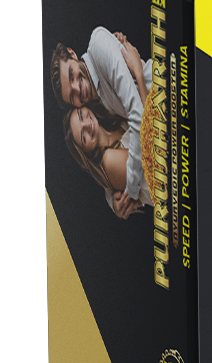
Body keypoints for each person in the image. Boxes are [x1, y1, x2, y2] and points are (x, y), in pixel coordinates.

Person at [50, 28, 150, 219]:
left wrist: (129, 191)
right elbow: (100, 163)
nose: (77, 87)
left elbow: (137, 114)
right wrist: (114, 197)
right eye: (72, 95)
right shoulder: (94, 108)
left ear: (72, 53)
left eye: (71, 74)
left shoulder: (98, 46)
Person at [64, 104, 153, 211]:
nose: (87, 124)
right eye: (83, 136)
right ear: (87, 153)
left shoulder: (115, 121)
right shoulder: (109, 160)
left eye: (81, 115)